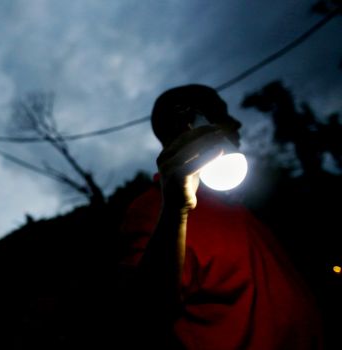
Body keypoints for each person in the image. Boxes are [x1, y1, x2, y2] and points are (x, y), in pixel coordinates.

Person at [117, 84, 323, 349]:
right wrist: (175, 211)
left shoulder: (231, 202)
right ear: (189, 126)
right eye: (221, 113)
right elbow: (140, 317)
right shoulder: (156, 210)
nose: (236, 122)